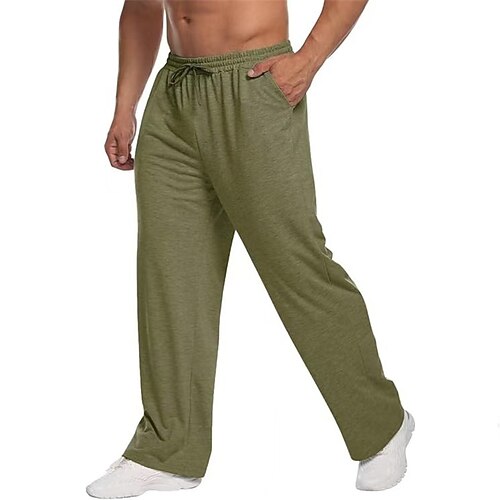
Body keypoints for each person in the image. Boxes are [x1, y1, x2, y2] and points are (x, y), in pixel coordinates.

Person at [86, 0, 415, 497]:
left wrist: (309, 60)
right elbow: (141, 7)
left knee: (295, 266)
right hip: (174, 95)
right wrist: (124, 105)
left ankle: (382, 426)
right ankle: (168, 451)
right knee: (170, 277)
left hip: (254, 83)